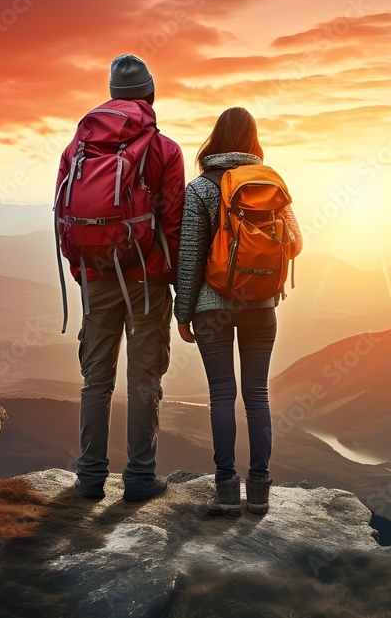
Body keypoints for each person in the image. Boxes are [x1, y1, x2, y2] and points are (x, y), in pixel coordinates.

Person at [59, 54, 185, 502]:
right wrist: (164, 276)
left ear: (113, 94)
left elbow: (63, 216)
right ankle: (139, 479)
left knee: (96, 380)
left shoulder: (77, 148)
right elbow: (173, 221)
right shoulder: (164, 149)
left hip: (95, 276)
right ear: (150, 95)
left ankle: (90, 478)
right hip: (145, 281)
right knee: (145, 379)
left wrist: (83, 271)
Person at [174, 106, 302, 515]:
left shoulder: (200, 188)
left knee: (222, 396)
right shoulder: (270, 183)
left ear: (216, 138)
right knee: (258, 394)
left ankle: (227, 486)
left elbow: (190, 256)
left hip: (212, 307)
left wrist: (182, 312)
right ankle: (261, 487)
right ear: (252, 140)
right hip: (262, 305)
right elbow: (295, 243)